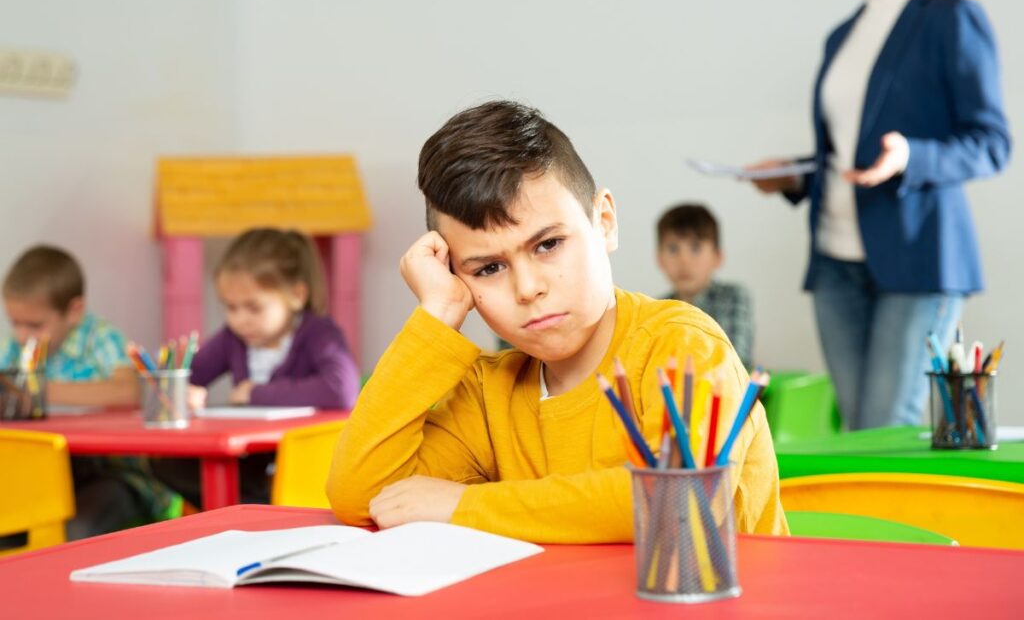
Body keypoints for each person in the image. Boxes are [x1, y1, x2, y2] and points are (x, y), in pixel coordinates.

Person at [327, 101, 788, 543]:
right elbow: (361, 496)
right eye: (488, 268)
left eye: (547, 244)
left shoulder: (680, 344)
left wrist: (463, 505)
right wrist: (437, 315)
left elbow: (678, 500)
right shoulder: (490, 394)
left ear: (604, 221)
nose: (527, 288)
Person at [747, 0, 1010, 429]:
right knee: (856, 430)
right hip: (834, 263)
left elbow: (992, 143)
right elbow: (849, 155)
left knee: (884, 428)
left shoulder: (951, 18)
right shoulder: (843, 34)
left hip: (918, 260)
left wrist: (911, 155)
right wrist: (793, 175)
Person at [153, 228, 359, 505]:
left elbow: (342, 390)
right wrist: (182, 390)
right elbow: (191, 373)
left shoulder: (319, 332)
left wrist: (254, 393)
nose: (240, 320)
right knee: (164, 463)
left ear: (296, 296)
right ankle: (253, 511)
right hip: (251, 456)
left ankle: (257, 511)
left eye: (254, 307)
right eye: (231, 307)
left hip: (305, 457)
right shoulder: (233, 338)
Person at [0, 245, 176, 539]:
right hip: (42, 476)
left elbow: (127, 393)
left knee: (73, 532)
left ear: (74, 311)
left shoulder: (100, 339)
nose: (22, 335)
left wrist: (44, 391)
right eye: (15, 323)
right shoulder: (12, 348)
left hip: (113, 474)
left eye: (35, 325)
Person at [656, 203, 754, 368]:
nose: (684, 260)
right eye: (673, 249)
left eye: (695, 248)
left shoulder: (733, 296)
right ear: (659, 259)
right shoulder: (658, 308)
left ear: (717, 256)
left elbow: (736, 356)